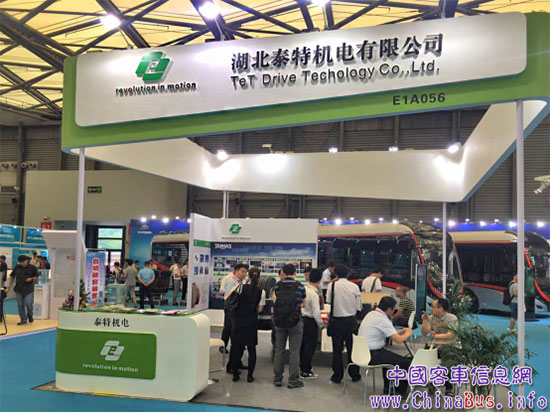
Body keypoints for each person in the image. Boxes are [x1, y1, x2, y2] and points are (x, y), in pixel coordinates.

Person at [358, 296, 413, 395]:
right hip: (372, 355)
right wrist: (409, 332)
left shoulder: (371, 314)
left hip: (361, 353)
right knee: (405, 362)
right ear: (389, 309)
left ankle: (388, 388)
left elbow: (388, 334)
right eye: (393, 310)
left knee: (388, 357)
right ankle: (399, 391)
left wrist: (399, 333)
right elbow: (399, 340)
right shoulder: (382, 319)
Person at [226, 267, 266, 382]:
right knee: (251, 349)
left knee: (236, 348)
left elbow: (228, 299)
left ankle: (235, 375)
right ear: (259, 277)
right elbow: (260, 309)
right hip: (252, 322)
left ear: (248, 276)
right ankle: (250, 376)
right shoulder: (261, 291)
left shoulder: (239, 287)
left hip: (238, 322)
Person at [326, 264, 362, 384]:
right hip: (351, 321)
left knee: (337, 350)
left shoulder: (331, 285)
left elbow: (329, 301)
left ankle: (337, 376)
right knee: (352, 349)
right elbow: (358, 306)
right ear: (348, 274)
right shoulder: (354, 286)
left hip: (336, 321)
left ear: (335, 274)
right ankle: (354, 374)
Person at [272, 263, 306, 388]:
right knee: (294, 351)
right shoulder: (300, 286)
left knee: (279, 350)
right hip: (295, 321)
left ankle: (277, 378)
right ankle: (293, 379)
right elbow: (303, 302)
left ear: (284, 273)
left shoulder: (277, 286)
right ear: (295, 273)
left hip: (280, 321)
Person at [421, 298, 458, 395]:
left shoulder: (452, 318)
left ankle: (449, 386)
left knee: (446, 359)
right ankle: (430, 382)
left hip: (450, 346)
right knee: (426, 353)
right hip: (436, 345)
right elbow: (424, 333)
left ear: (440, 308)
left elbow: (450, 334)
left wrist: (435, 336)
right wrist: (425, 320)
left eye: (433, 306)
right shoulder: (432, 318)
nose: (431, 308)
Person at [220, 263, 249, 357]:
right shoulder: (231, 282)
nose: (244, 274)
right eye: (242, 272)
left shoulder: (242, 282)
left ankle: (236, 345)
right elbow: (229, 297)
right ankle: (223, 345)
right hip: (230, 308)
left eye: (245, 272)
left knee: (233, 328)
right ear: (235, 271)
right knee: (228, 327)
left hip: (237, 309)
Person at [300, 268, 324, 379]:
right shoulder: (314, 294)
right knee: (309, 347)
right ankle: (306, 371)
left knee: (302, 346)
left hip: (301, 320)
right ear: (319, 280)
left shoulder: (303, 289)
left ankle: (301, 369)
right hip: (310, 322)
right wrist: (321, 325)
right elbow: (316, 313)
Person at [6, 255, 38, 325]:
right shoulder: (17, 267)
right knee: (20, 304)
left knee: (28, 303)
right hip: (19, 288)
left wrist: (31, 278)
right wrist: (10, 286)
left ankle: (30, 314)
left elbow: (36, 277)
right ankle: (23, 319)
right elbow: (12, 276)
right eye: (20, 262)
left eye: (23, 262)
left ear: (27, 260)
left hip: (29, 289)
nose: (22, 263)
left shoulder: (33, 268)